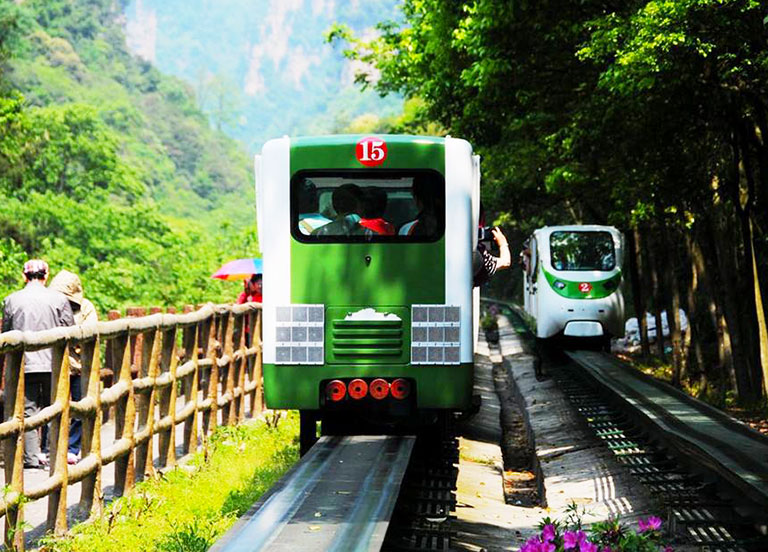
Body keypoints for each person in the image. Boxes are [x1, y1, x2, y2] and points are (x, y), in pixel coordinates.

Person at [1, 260, 74, 469]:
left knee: (27, 411)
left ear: (24, 276)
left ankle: (31, 459)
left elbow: (6, 333)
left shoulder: (11, 300)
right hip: (54, 363)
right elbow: (70, 329)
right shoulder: (59, 299)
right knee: (55, 407)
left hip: (24, 364)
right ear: (46, 275)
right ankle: (54, 456)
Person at [49, 269, 98, 465]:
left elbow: (91, 331)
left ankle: (73, 447)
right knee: (51, 407)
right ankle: (50, 448)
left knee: (79, 406)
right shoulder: (50, 305)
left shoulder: (86, 308)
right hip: (54, 364)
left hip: (78, 365)